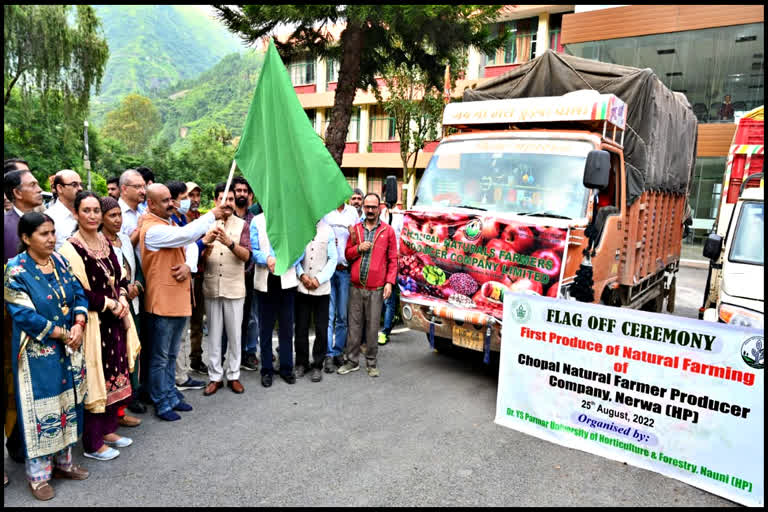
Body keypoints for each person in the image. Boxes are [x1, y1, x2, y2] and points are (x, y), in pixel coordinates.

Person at [5, 212, 90, 500]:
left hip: (69, 347)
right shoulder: (15, 271)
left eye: (53, 231)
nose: (51, 238)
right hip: (37, 353)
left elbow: (79, 293)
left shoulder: (60, 262)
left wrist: (78, 323)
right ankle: (38, 477)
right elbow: (24, 314)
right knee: (42, 408)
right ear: (26, 238)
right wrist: (63, 333)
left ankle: (64, 464)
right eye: (43, 233)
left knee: (67, 401)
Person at [58, 191, 141, 461]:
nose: (93, 215)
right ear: (76, 213)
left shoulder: (104, 241)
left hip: (113, 320)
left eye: (96, 210)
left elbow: (118, 276)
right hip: (93, 323)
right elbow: (77, 291)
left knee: (113, 375)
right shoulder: (71, 248)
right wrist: (109, 303)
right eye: (87, 211)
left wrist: (120, 297)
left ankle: (108, 430)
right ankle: (93, 444)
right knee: (95, 379)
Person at [138, 184, 226, 421]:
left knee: (171, 353)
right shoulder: (151, 229)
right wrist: (211, 215)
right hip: (161, 302)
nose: (171, 203)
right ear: (151, 205)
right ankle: (161, 401)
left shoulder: (169, 223)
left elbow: (189, 245)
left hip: (178, 298)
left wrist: (188, 265)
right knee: (159, 356)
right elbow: (186, 236)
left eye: (170, 199)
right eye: (164, 201)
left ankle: (170, 393)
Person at [4, 168, 44, 472]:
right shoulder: (6, 226)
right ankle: (16, 442)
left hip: (43, 320)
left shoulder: (44, 224)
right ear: (16, 192)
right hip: (12, 319)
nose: (39, 189)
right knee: (11, 382)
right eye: (32, 185)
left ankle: (38, 440)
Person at [337, 193, 398, 378]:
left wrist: (389, 283)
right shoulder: (355, 230)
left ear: (379, 207)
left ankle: (371, 362)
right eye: (367, 207)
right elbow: (347, 254)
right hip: (356, 286)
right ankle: (352, 361)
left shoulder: (388, 231)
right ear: (362, 208)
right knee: (353, 326)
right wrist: (358, 248)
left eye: (374, 207)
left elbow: (393, 259)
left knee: (372, 328)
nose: (370, 210)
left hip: (376, 288)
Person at [99, 196, 147, 421]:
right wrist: (123, 290)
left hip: (133, 303)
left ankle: (132, 395)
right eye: (112, 216)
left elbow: (136, 266)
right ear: (101, 218)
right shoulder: (99, 242)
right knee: (115, 356)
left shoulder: (125, 240)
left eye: (119, 215)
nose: (118, 220)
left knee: (133, 350)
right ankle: (116, 410)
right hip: (113, 308)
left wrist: (136, 284)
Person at [201, 183, 251, 396]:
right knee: (213, 334)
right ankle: (214, 377)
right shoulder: (205, 224)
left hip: (234, 287)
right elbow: (197, 260)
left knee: (234, 334)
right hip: (212, 286)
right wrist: (206, 246)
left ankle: (233, 375)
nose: (228, 203)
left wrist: (230, 243)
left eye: (230, 199)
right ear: (215, 202)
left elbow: (247, 256)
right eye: (223, 199)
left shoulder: (242, 225)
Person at [250, 211, 302, 387]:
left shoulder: (291, 219)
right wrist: (267, 258)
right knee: (265, 329)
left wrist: (286, 260)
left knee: (287, 328)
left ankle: (287, 367)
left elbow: (299, 250)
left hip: (287, 281)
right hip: (265, 281)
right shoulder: (257, 221)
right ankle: (266, 370)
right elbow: (253, 250)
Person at [165, 180, 206, 392]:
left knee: (186, 326)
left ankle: (182, 372)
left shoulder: (182, 218)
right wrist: (204, 241)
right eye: (185, 197)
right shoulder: (168, 220)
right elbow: (185, 243)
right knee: (176, 332)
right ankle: (178, 377)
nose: (190, 201)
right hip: (177, 278)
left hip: (191, 276)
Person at [295, 220, 337, 382]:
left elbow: (333, 259)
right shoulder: (300, 228)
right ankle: (301, 363)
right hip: (302, 286)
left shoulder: (328, 230)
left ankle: (317, 365)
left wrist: (319, 279)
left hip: (322, 288)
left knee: (321, 328)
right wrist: (302, 276)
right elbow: (295, 257)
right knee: (301, 327)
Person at [322, 197, 360, 372]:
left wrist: (353, 235)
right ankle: (328, 354)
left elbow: (359, 240)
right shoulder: (325, 210)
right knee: (329, 316)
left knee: (343, 316)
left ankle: (338, 352)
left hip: (345, 270)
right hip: (328, 271)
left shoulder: (352, 213)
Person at [231, 176, 260, 371]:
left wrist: (246, 272)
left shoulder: (254, 220)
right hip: (229, 278)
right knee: (230, 319)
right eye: (238, 190)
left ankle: (249, 353)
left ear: (250, 195)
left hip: (249, 277)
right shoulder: (226, 218)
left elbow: (254, 250)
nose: (241, 194)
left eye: (245, 191)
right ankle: (233, 354)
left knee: (250, 317)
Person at [184, 182, 208, 375]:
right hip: (182, 276)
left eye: (198, 195)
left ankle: (196, 358)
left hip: (199, 274)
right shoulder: (176, 218)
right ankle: (179, 368)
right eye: (191, 195)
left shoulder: (201, 218)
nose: (195, 199)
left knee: (197, 321)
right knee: (181, 325)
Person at [378, 201, 405, 345]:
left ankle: (385, 331)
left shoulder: (400, 216)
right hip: (380, 261)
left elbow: (402, 239)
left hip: (394, 261)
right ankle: (392, 317)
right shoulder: (381, 214)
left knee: (388, 297)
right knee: (383, 296)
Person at [45, 170, 83, 250]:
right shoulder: (49, 217)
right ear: (60, 188)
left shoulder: (87, 213)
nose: (80, 188)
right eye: (74, 185)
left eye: (80, 184)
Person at [118, 169, 146, 249]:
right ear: (124, 189)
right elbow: (122, 249)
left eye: (144, 186)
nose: (143, 191)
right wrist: (139, 228)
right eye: (138, 187)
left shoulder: (144, 211)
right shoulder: (117, 215)